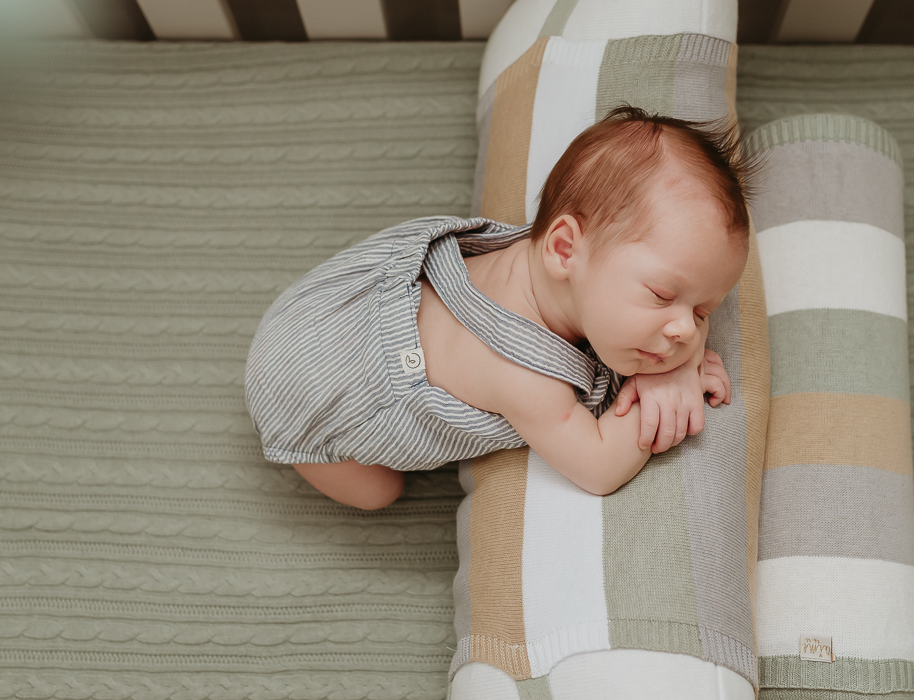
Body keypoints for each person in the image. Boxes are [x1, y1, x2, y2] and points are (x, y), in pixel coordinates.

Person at [245, 106, 756, 510]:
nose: (685, 332)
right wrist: (662, 387)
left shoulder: (536, 261)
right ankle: (312, 455)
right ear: (563, 249)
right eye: (665, 297)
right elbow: (599, 466)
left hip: (320, 311)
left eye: (704, 312)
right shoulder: (523, 377)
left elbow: (675, 321)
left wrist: (676, 353)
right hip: (308, 389)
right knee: (380, 492)